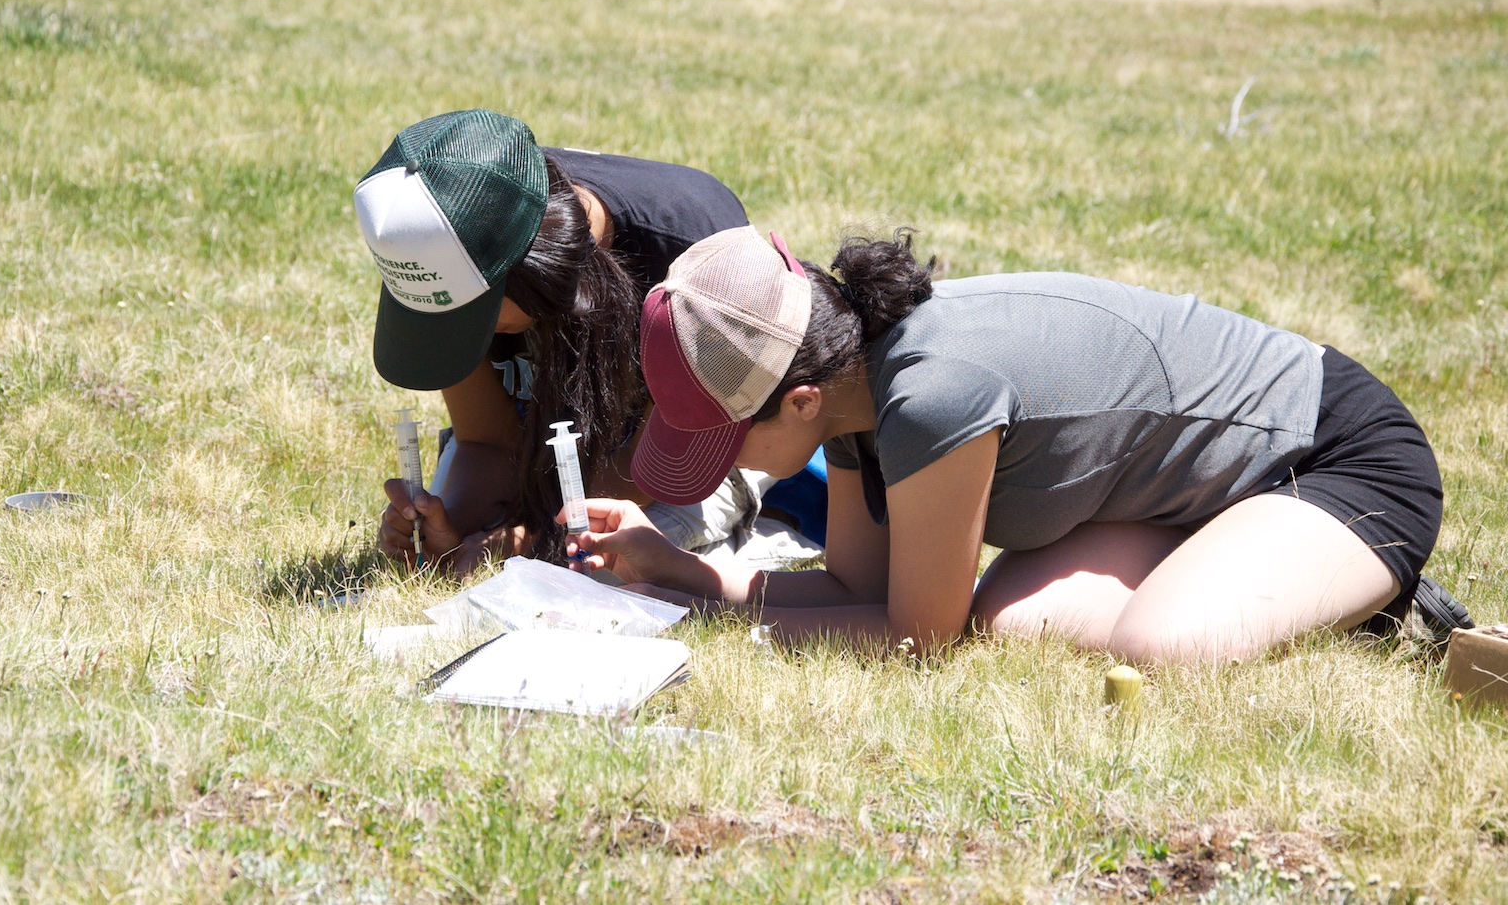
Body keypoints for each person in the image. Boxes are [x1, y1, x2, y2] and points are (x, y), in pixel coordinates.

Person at [565, 225, 1464, 665]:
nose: (716, 465)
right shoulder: (846, 383)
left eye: (722, 438)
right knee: (1010, 619)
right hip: (1206, 494)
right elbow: (858, 589)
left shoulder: (927, 396)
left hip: (1338, 457)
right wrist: (674, 571)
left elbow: (916, 634)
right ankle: (1254, 565)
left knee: (1161, 647)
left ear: (796, 402)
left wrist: (713, 618)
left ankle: (1379, 600)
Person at [355, 109, 820, 573]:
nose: (457, 336)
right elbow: (486, 442)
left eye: (469, 320)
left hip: (684, 449)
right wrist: (452, 527)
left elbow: (657, 462)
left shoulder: (695, 248)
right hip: (547, 444)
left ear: (540, 271)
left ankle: (764, 537)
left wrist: (532, 538)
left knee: (610, 568)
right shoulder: (438, 236)